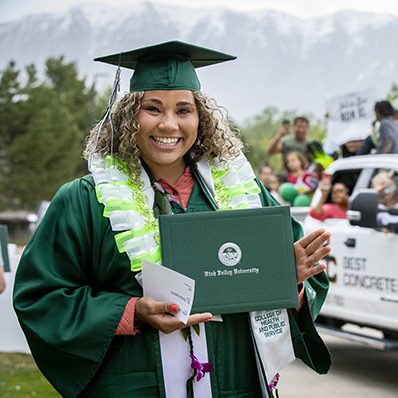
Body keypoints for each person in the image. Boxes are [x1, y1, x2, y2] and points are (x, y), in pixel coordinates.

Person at [13, 41, 331, 397]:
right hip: (137, 385)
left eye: (183, 110)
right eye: (152, 108)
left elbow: (297, 278)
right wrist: (132, 310)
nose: (169, 124)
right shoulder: (86, 200)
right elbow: (41, 296)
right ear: (128, 115)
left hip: (238, 383)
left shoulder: (245, 192)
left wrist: (290, 279)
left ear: (202, 119)